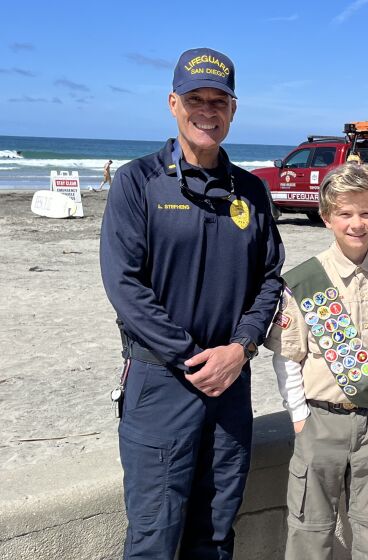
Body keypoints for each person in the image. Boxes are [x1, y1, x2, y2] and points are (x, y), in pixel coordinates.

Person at [99, 47, 285, 559]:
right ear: (173, 103)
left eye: (218, 101)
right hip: (160, 384)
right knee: (154, 537)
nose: (207, 110)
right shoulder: (137, 182)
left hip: (230, 384)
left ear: (233, 109)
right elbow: (125, 287)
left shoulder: (250, 190)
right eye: (195, 99)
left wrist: (240, 349)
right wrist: (189, 355)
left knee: (217, 532)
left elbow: (270, 279)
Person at [267, 163, 368, 560]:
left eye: (366, 213)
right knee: (310, 529)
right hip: (320, 420)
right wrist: (299, 415)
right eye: (345, 213)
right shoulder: (306, 280)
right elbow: (289, 356)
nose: (357, 223)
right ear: (327, 217)